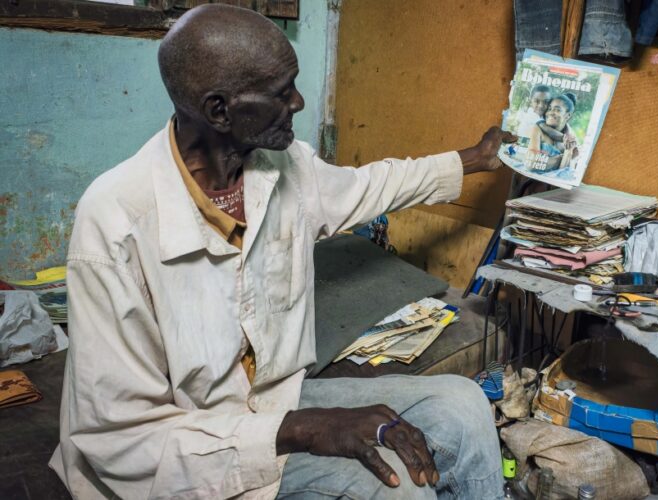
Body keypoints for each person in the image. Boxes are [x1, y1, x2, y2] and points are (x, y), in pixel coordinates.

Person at [48, 4, 515, 499]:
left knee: (463, 406)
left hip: (275, 402)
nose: (299, 101)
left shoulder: (280, 165)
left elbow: (369, 185)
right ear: (219, 110)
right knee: (400, 489)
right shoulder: (116, 220)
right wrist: (304, 428)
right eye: (280, 91)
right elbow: (123, 440)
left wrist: (475, 159)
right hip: (186, 451)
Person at [526, 93, 580, 172]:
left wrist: (568, 152)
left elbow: (565, 173)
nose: (551, 112)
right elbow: (530, 164)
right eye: (550, 108)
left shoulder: (571, 140)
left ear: (568, 116)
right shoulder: (539, 128)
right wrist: (561, 158)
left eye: (558, 110)